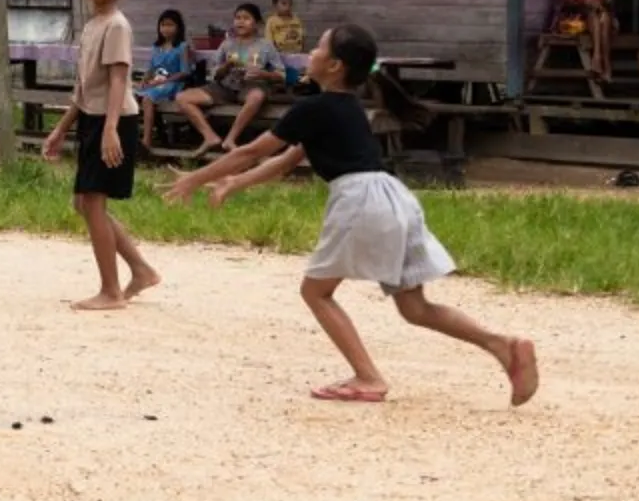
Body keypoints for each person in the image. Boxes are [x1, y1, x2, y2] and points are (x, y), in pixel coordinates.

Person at [166, 22, 538, 406]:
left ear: (335, 66)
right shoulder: (345, 108)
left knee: (316, 292)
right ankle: (504, 346)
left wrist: (196, 178)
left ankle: (367, 377)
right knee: (415, 307)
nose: (311, 53)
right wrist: (234, 183)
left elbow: (251, 151)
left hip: (359, 202)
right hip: (393, 199)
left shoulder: (313, 108)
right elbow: (287, 160)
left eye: (319, 49)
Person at [39, 0, 161, 311]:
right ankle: (141, 270)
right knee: (84, 203)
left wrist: (110, 130)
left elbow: (117, 79)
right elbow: (85, 87)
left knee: (93, 202)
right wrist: (61, 128)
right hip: (95, 117)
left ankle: (111, 292)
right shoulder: (92, 25)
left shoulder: (117, 26)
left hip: (115, 119)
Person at [176, 3, 286, 153]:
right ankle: (210, 137)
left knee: (257, 96)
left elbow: (281, 75)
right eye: (238, 18)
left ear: (257, 23)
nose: (240, 22)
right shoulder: (227, 44)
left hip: (251, 86)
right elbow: (213, 74)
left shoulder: (265, 45)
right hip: (225, 87)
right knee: (183, 97)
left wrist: (263, 73)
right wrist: (226, 66)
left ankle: (230, 139)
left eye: (246, 18)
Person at [139, 8, 195, 126]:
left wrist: (162, 81)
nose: (166, 29)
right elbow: (152, 68)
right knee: (132, 94)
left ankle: (146, 139)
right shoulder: (156, 47)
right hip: (156, 81)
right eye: (163, 25)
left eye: (170, 25)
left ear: (178, 27)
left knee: (147, 99)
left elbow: (185, 72)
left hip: (172, 83)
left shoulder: (182, 47)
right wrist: (145, 79)